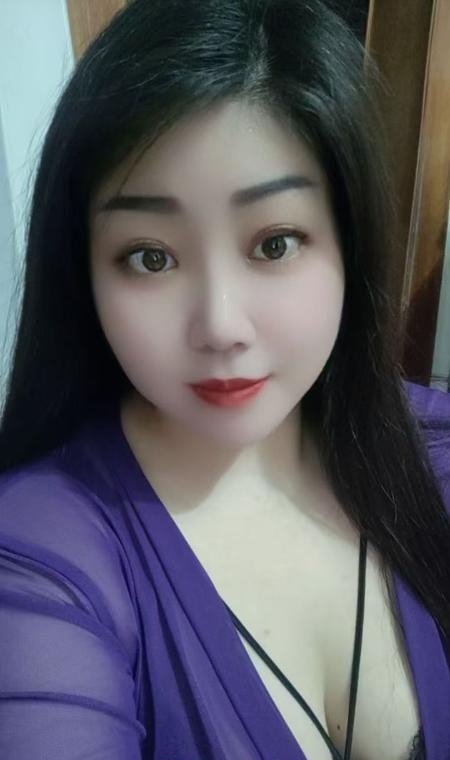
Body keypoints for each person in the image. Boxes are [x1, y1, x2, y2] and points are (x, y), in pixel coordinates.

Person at [0, 0, 448, 758]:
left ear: (349, 240)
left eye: (275, 243)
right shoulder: (42, 553)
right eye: (150, 257)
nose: (220, 325)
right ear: (84, 274)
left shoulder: (434, 454)